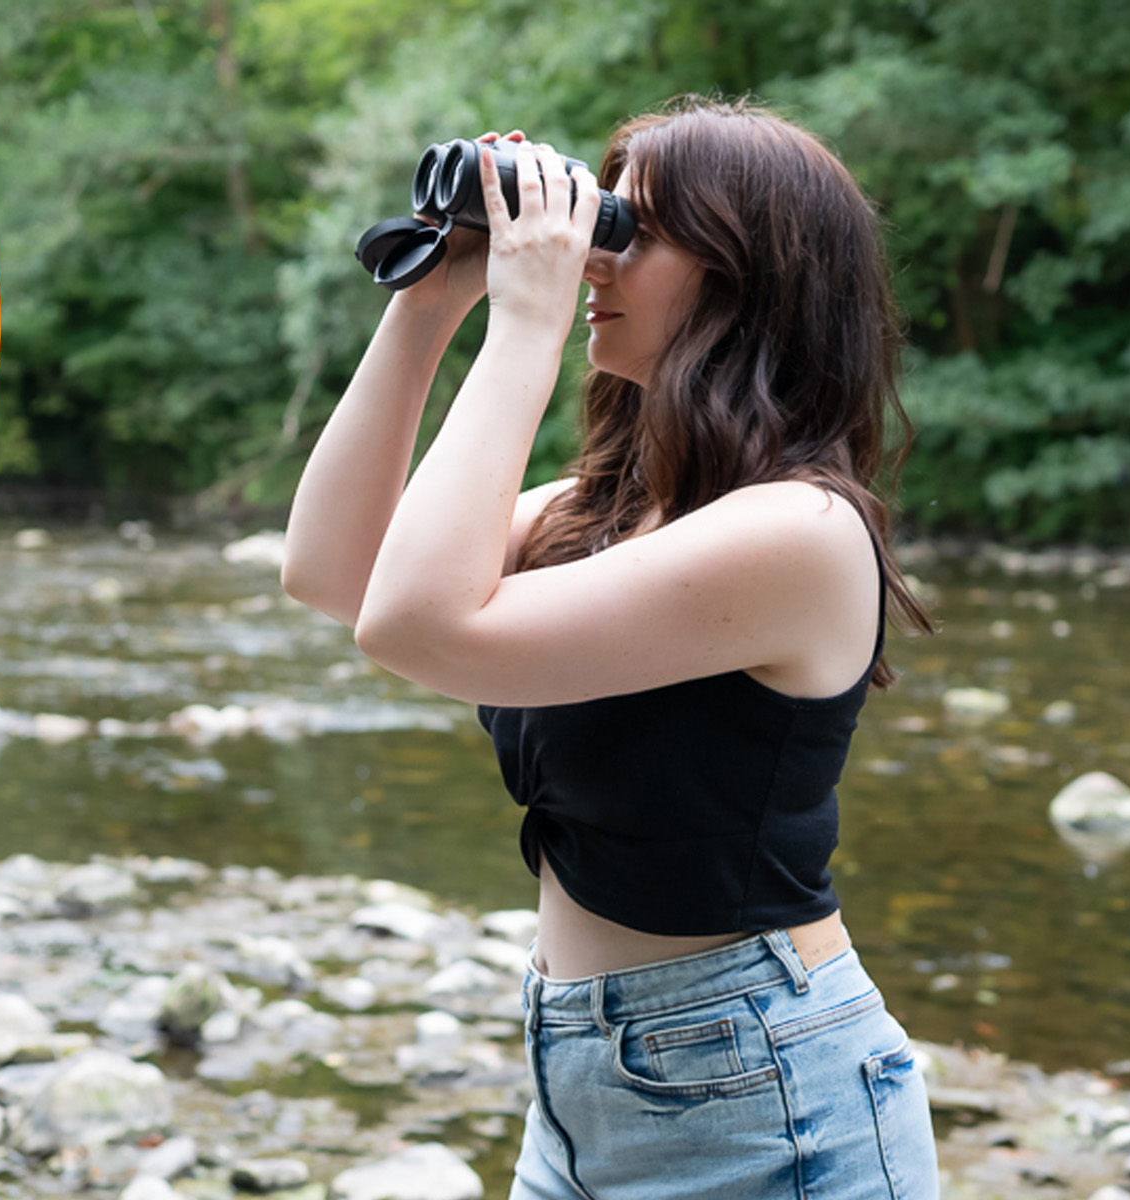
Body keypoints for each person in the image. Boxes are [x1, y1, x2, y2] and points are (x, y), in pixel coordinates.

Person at [282, 96, 938, 1200]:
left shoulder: (800, 532)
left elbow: (417, 626)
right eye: (602, 221)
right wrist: (433, 297)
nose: (592, 259)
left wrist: (524, 325)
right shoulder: (607, 506)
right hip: (584, 1083)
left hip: (761, 1101)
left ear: (747, 277)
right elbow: (333, 573)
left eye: (633, 233)